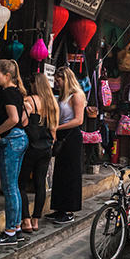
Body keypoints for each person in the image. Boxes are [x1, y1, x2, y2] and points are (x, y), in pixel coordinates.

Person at [0, 60, 29, 246]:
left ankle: (10, 230)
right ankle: (16, 228)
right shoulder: (17, 92)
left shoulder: (8, 93)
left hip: (11, 139)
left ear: (7, 76)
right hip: (19, 138)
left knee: (10, 187)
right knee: (14, 186)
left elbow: (14, 119)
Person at [18, 74, 59, 233]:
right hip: (46, 147)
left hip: (30, 147)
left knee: (20, 183)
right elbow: (54, 130)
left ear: (35, 85)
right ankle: (36, 221)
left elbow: (21, 122)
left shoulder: (29, 101)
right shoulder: (52, 103)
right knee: (40, 183)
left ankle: (26, 220)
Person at [48, 67, 86, 224]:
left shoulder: (76, 95)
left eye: (59, 80)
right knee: (60, 172)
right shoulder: (62, 95)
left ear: (66, 79)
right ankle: (59, 208)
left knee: (71, 172)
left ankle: (69, 210)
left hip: (71, 135)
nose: (57, 83)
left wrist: (57, 128)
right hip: (62, 134)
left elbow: (79, 120)